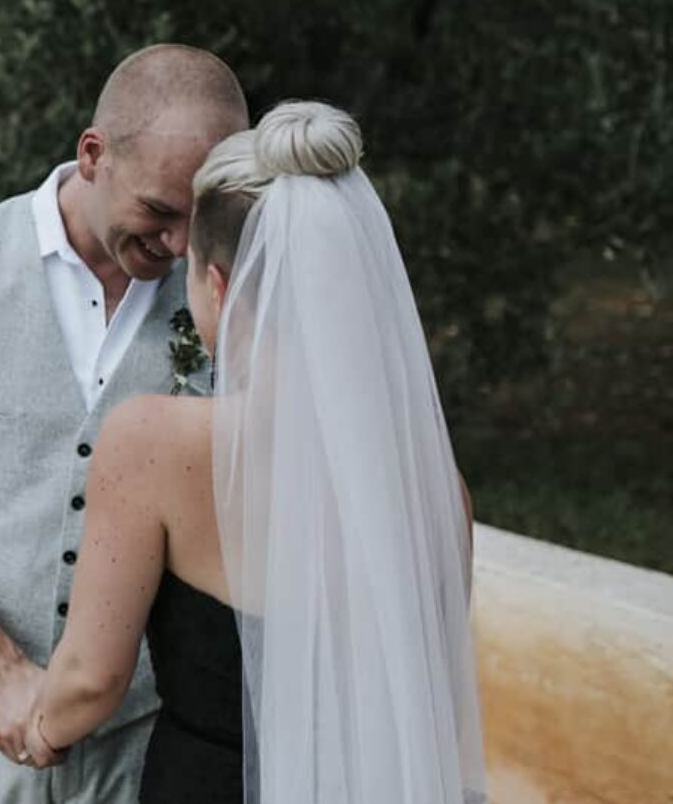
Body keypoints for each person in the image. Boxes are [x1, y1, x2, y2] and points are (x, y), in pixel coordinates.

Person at [24, 101, 487, 804]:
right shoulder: (434, 486)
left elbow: (91, 676)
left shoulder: (153, 442)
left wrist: (41, 730)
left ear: (216, 284)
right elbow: (435, 708)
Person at [0, 45, 251, 804]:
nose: (177, 243)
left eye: (196, 219)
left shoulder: (223, 296)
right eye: (159, 212)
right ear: (93, 155)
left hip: (143, 741)